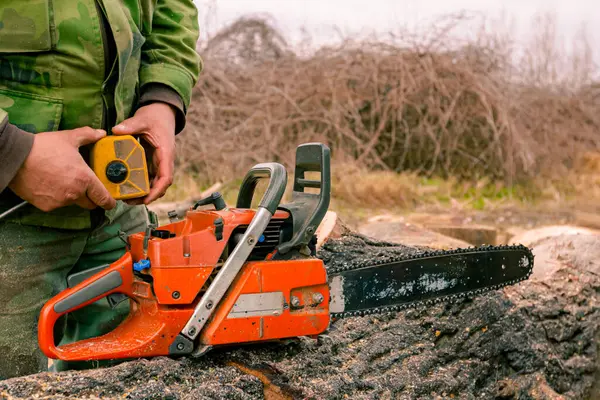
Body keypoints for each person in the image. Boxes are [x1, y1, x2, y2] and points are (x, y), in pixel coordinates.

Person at [0, 1, 202, 379]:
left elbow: (172, 10)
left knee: (137, 381)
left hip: (118, 215)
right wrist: (11, 151)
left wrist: (163, 97)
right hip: (7, 221)